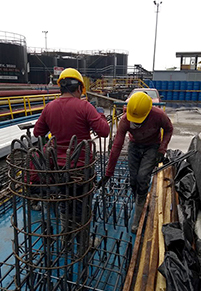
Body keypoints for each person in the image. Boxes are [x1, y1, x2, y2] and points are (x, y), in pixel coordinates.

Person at [33, 68, 110, 247]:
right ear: (79, 88)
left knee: (64, 202)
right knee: (82, 205)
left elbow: (38, 132)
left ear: (60, 87)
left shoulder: (49, 107)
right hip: (81, 167)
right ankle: (83, 243)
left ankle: (65, 237)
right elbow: (104, 131)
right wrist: (98, 115)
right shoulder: (85, 107)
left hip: (58, 169)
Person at [98, 92, 173, 233]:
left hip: (152, 146)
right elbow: (117, 147)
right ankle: (138, 197)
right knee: (133, 180)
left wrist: (162, 149)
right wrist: (108, 173)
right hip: (134, 146)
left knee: (142, 177)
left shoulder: (158, 115)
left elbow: (169, 129)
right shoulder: (126, 120)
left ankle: (140, 206)